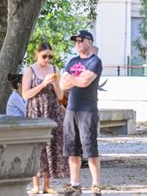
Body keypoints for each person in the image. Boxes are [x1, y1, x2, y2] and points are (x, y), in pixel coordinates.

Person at [59, 30, 103, 196]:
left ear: (89, 42)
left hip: (87, 110)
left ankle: (96, 184)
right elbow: (62, 85)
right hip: (71, 109)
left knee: (90, 147)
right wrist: (72, 80)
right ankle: (75, 184)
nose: (77, 43)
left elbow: (85, 82)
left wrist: (71, 79)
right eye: (75, 41)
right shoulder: (72, 61)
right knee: (72, 149)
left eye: (80, 40)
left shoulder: (95, 61)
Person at [22, 42, 69, 194]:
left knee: (51, 146)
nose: (47, 59)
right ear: (37, 54)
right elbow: (25, 94)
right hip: (35, 111)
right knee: (37, 147)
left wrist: (55, 84)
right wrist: (43, 84)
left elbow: (61, 97)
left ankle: (46, 185)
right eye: (44, 56)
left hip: (52, 111)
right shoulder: (30, 70)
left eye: (50, 56)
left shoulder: (55, 70)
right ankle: (35, 185)